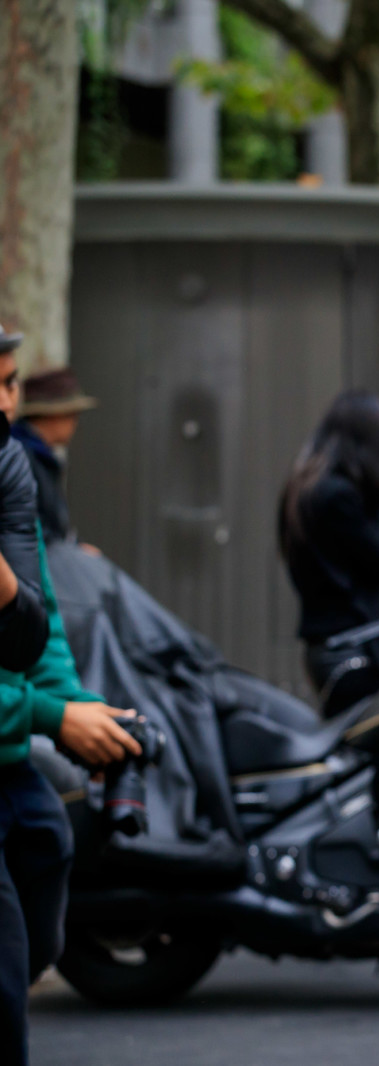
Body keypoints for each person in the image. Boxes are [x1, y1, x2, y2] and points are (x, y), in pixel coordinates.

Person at [0, 322, 139, 1065]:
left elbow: (37, 618)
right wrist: (51, 715)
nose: (6, 403)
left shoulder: (10, 468)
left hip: (8, 752)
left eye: (11, 384)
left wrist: (74, 711)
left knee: (47, 846)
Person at [278, 390, 379, 716]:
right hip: (348, 646)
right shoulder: (338, 496)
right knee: (366, 738)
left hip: (327, 645)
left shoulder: (305, 486)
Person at [12, 367, 97, 545]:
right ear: (55, 416)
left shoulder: (40, 456)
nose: (75, 424)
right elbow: (33, 525)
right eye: (72, 416)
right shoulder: (23, 456)